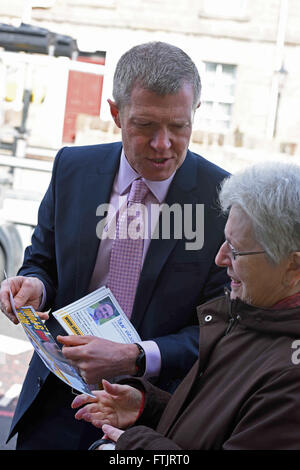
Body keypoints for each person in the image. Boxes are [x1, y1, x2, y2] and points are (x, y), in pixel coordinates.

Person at [0, 41, 229, 450]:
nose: (163, 144)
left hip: (152, 417)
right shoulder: (72, 168)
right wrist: (35, 285)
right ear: (115, 113)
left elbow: (219, 329)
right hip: (54, 402)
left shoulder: (222, 199)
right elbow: (42, 261)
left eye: (178, 126)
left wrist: (136, 356)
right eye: (145, 125)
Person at [72, 161, 300, 450]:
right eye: (224, 242)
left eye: (236, 250)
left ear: (294, 267)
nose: (220, 259)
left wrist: (134, 446)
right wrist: (150, 407)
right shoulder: (249, 314)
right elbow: (219, 422)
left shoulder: (291, 377)